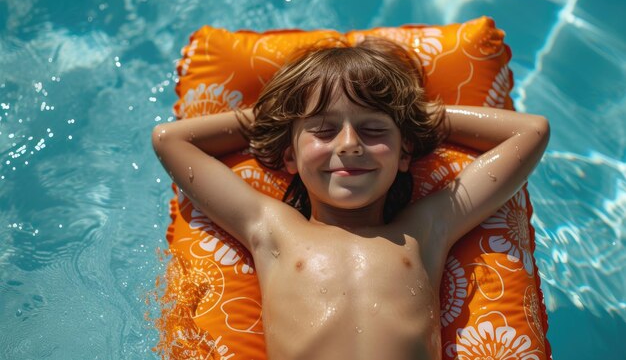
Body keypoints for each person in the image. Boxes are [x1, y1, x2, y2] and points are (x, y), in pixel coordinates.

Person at [152, 38, 549, 360]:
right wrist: (283, 116)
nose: (349, 144)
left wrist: (412, 115)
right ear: (289, 156)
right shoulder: (271, 229)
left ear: (404, 153)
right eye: (323, 130)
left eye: (374, 129)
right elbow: (171, 141)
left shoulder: (427, 227)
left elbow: (531, 133)